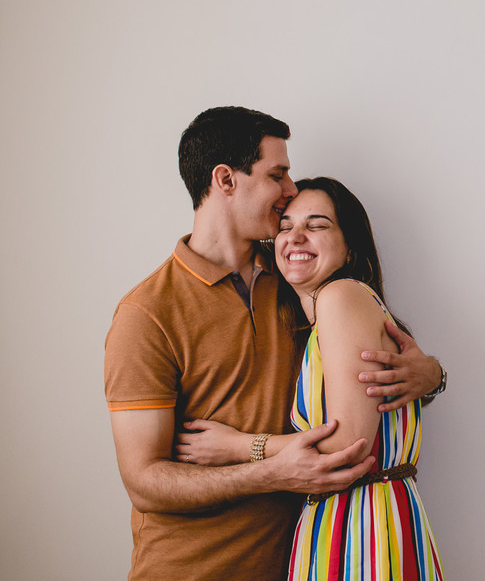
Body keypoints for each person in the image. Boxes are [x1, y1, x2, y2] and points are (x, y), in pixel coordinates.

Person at [105, 107, 444, 581]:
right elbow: (145, 482)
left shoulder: (298, 281)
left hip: (315, 555)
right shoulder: (146, 314)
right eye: (277, 173)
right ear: (226, 179)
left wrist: (432, 375)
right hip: (193, 569)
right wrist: (269, 469)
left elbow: (358, 385)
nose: (289, 191)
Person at [176, 178, 444, 580]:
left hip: (362, 532)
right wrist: (436, 375)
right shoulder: (329, 313)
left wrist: (235, 446)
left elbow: (345, 448)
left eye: (317, 225)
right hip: (357, 523)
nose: (295, 237)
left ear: (350, 245)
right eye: (285, 226)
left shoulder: (341, 297)